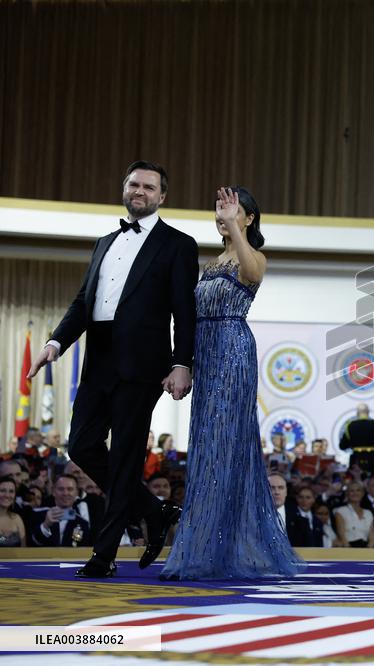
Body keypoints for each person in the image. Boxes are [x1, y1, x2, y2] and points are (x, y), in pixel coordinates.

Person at [28, 161, 196, 578]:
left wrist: (182, 363)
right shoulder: (105, 241)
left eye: (149, 186)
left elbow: (184, 311)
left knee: (123, 459)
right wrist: (54, 342)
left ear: (162, 197)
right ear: (125, 189)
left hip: (143, 366)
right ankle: (154, 511)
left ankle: (102, 557)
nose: (140, 191)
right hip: (98, 360)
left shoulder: (178, 243)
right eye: (134, 184)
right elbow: (83, 302)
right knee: (81, 446)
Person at [160, 187, 303, 580]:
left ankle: (207, 553)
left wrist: (236, 229)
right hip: (205, 354)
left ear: (249, 218)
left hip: (232, 351)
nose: (220, 214)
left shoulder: (252, 255)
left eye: (231, 209)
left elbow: (253, 275)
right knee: (208, 448)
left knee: (226, 446)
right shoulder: (210, 262)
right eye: (217, 209)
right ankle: (207, 549)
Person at [30, 474, 92, 547]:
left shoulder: (82, 523)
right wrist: (46, 525)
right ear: (53, 491)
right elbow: (32, 543)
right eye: (61, 489)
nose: (65, 493)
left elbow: (82, 550)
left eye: (70, 489)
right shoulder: (37, 515)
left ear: (76, 493)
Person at [339, 404, 374, 477]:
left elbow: (342, 446)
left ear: (357, 413)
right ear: (368, 412)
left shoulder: (350, 426)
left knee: (356, 484)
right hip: (372, 460)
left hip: (356, 460)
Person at [333, 481, 374, 548]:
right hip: (348, 548)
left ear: (362, 493)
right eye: (352, 491)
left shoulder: (368, 513)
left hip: (365, 549)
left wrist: (368, 552)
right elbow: (342, 535)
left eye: (358, 490)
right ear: (347, 494)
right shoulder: (341, 511)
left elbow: (372, 536)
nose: (355, 493)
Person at [0, 476, 26, 548]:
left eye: (11, 491)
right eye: (2, 490)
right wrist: (5, 538)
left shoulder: (17, 518)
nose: (7, 495)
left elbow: (24, 550)